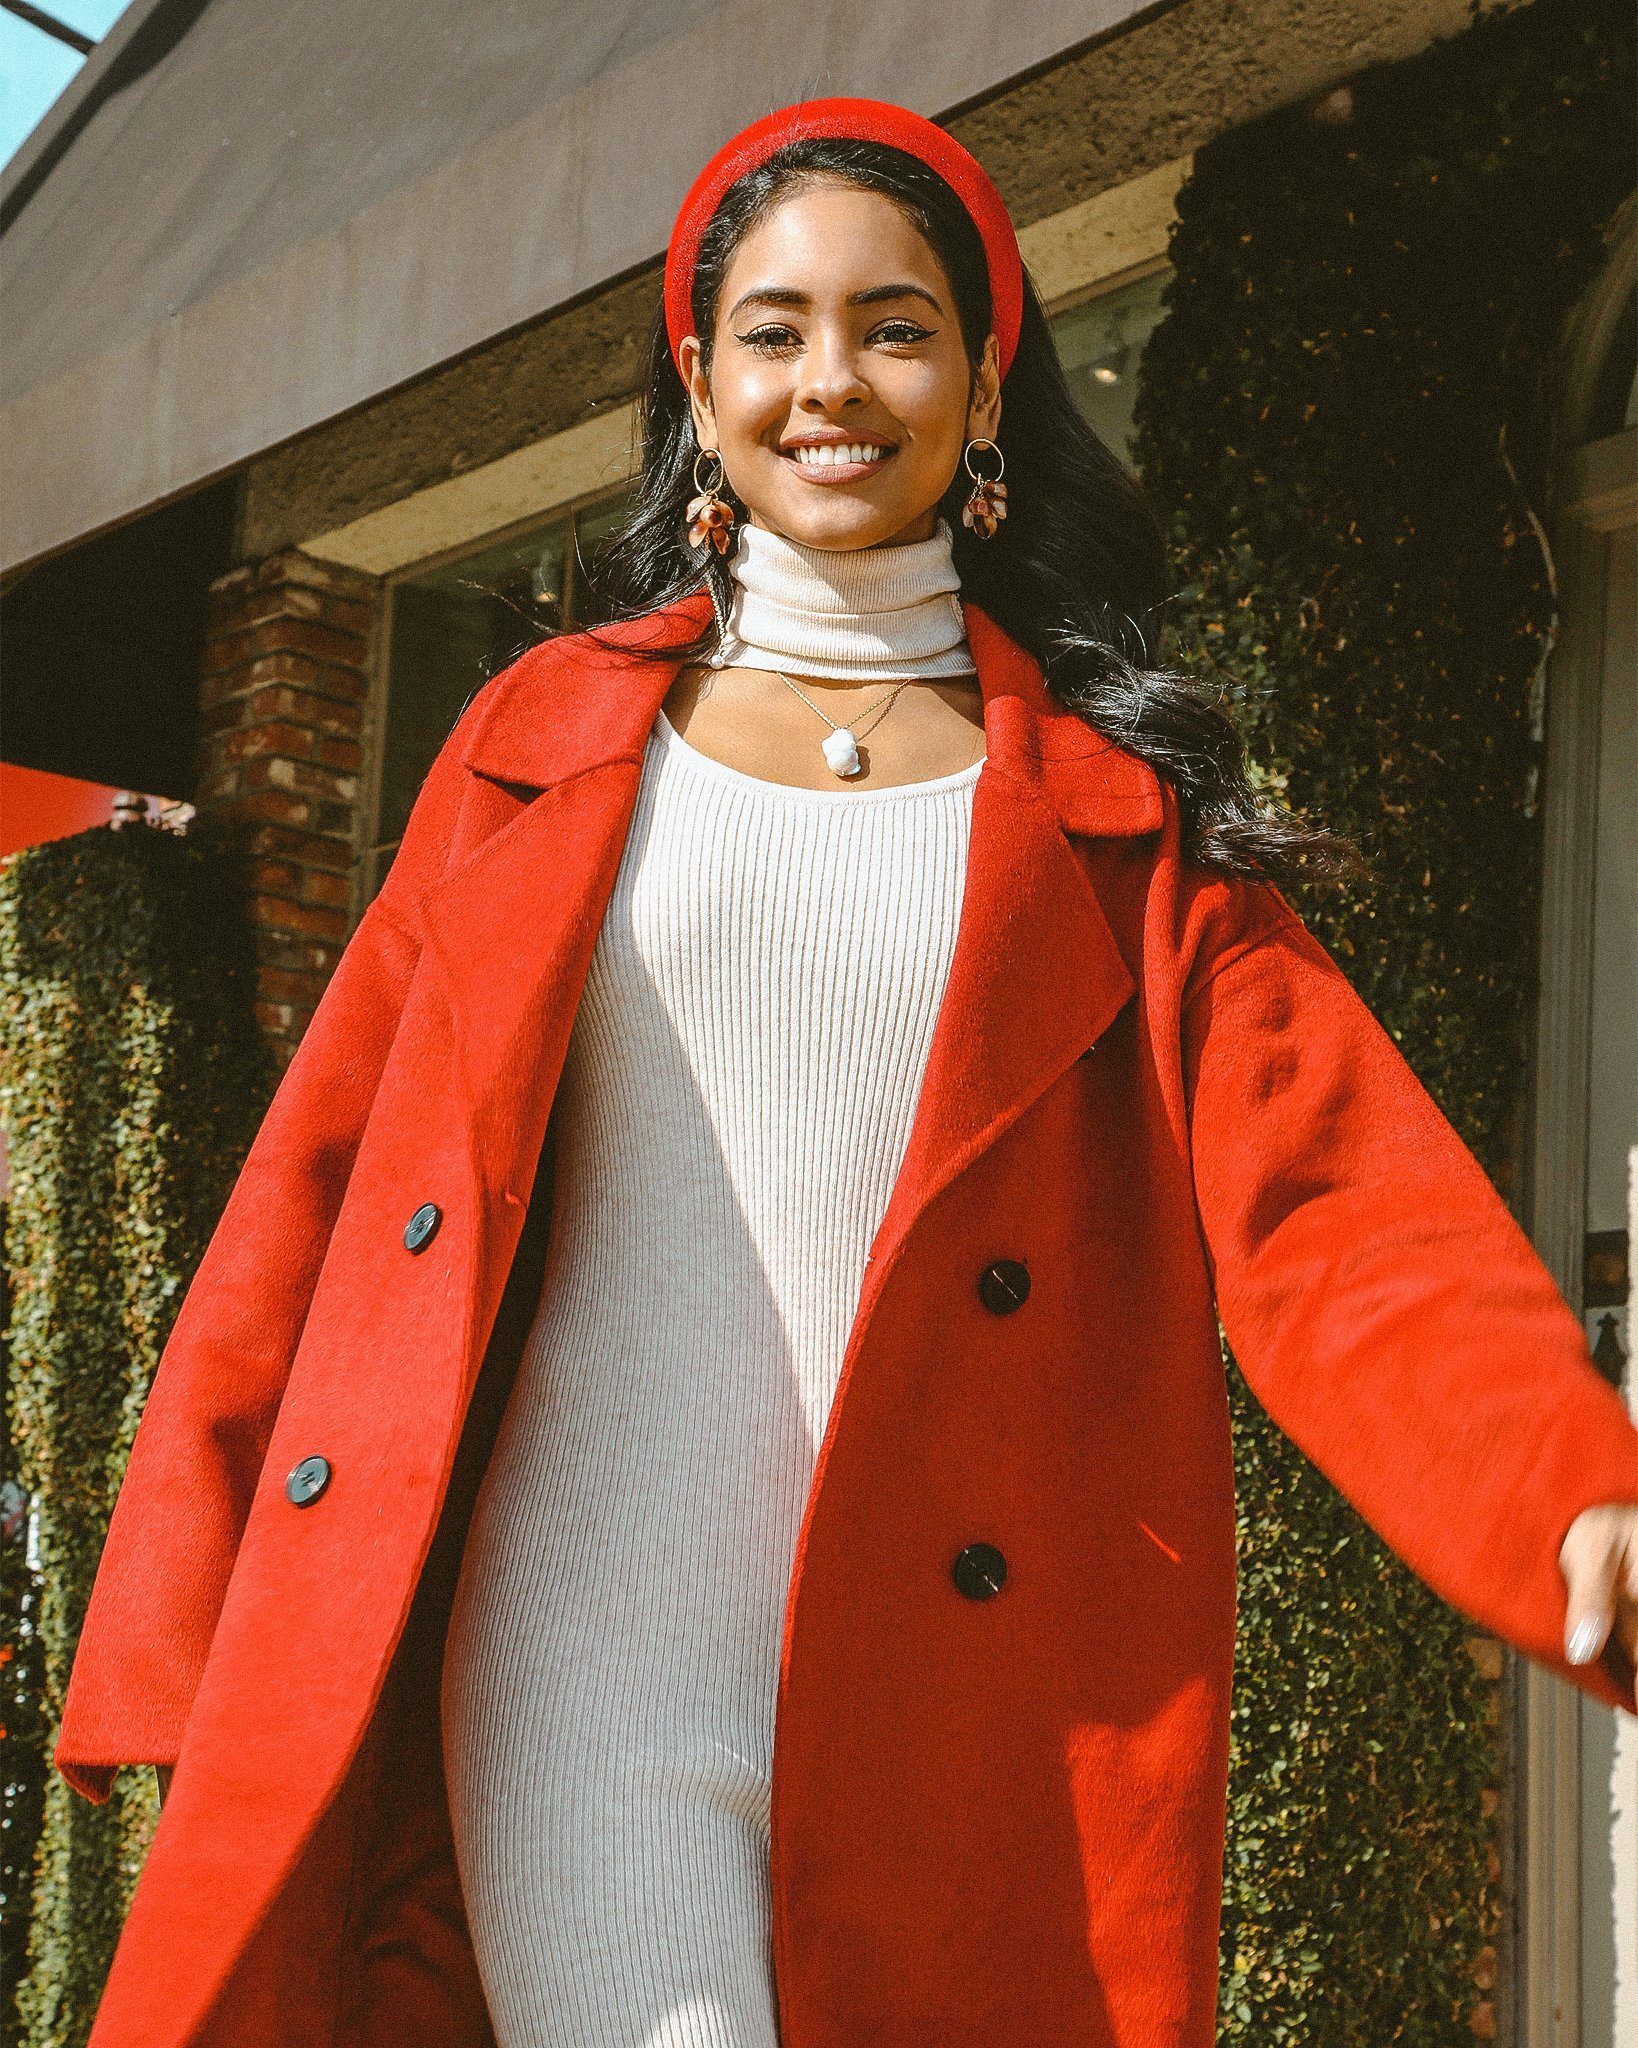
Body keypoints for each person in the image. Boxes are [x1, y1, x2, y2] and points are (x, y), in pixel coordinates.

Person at [56, 98, 1638, 2048]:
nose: (833, 378)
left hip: (984, 1709)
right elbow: (324, 1191)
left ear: (987, 391)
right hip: (580, 1658)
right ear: (702, 393)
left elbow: (1346, 1212)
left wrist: (1569, 1492)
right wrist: (188, 1604)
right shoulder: (536, 743)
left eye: (896, 327)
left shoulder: (1115, 822)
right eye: (775, 330)